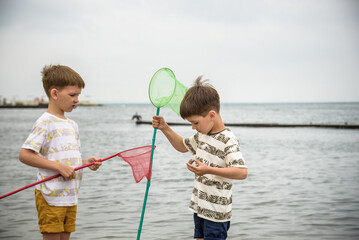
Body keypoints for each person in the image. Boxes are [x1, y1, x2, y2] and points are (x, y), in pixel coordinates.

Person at [152, 76, 247, 240]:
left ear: (211, 115)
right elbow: (182, 146)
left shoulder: (227, 139)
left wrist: (207, 170)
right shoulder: (202, 135)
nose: (193, 127)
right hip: (199, 207)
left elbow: (241, 172)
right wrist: (165, 128)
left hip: (216, 214)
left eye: (195, 123)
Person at [19, 64, 102, 240]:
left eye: (78, 95)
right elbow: (25, 155)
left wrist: (86, 163)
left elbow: (69, 162)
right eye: (72, 95)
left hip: (70, 196)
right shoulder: (45, 122)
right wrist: (58, 167)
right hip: (50, 195)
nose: (77, 99)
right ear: (55, 94)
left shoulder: (72, 125)